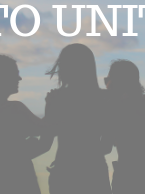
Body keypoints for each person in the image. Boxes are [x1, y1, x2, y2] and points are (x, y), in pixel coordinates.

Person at [38, 43, 112, 194]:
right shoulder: (105, 98)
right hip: (95, 173)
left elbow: (45, 143)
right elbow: (106, 146)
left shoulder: (57, 99)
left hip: (64, 173)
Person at [0, 54, 44, 194]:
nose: (19, 78)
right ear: (4, 77)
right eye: (16, 74)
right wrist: (53, 105)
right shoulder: (15, 109)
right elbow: (45, 129)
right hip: (22, 182)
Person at [102, 59, 145, 194]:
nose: (106, 85)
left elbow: (105, 146)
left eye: (107, 80)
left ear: (117, 81)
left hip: (127, 178)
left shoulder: (119, 108)